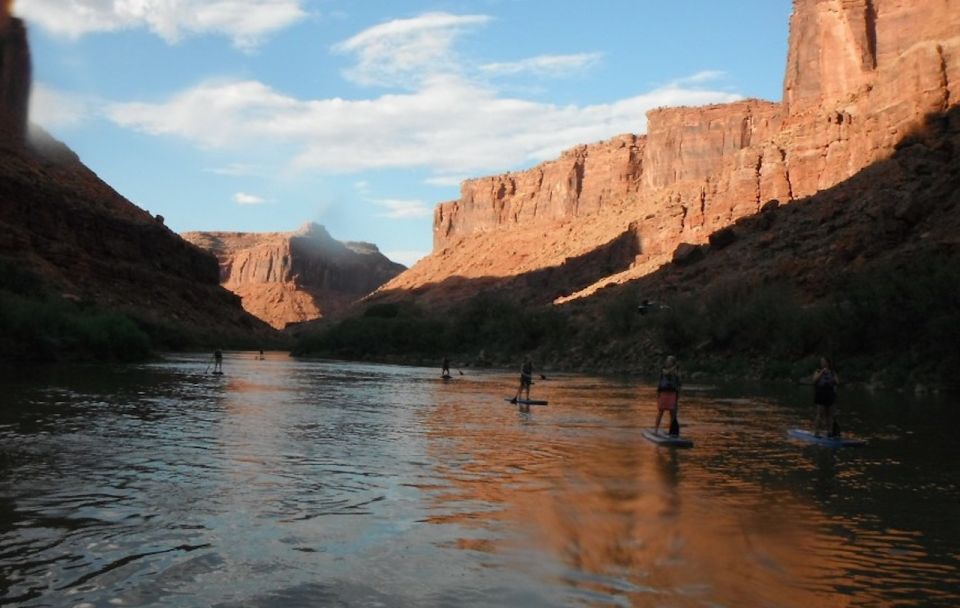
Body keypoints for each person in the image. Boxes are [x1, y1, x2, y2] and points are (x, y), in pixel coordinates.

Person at [654, 355, 681, 435]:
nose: (667, 362)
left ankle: (672, 431)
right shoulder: (663, 370)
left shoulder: (676, 372)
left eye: (669, 361)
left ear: (672, 363)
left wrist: (678, 396)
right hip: (663, 393)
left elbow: (679, 383)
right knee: (661, 412)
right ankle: (656, 429)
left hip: (673, 393)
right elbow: (667, 373)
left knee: (672, 413)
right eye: (667, 361)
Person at [813, 357, 839, 437]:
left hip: (830, 394)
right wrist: (822, 372)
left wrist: (832, 378)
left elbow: (837, 382)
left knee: (829, 415)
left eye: (823, 362)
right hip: (821, 394)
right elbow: (814, 380)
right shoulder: (818, 371)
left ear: (827, 363)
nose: (822, 363)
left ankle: (829, 432)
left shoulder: (833, 372)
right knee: (819, 414)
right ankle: (817, 432)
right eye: (821, 362)